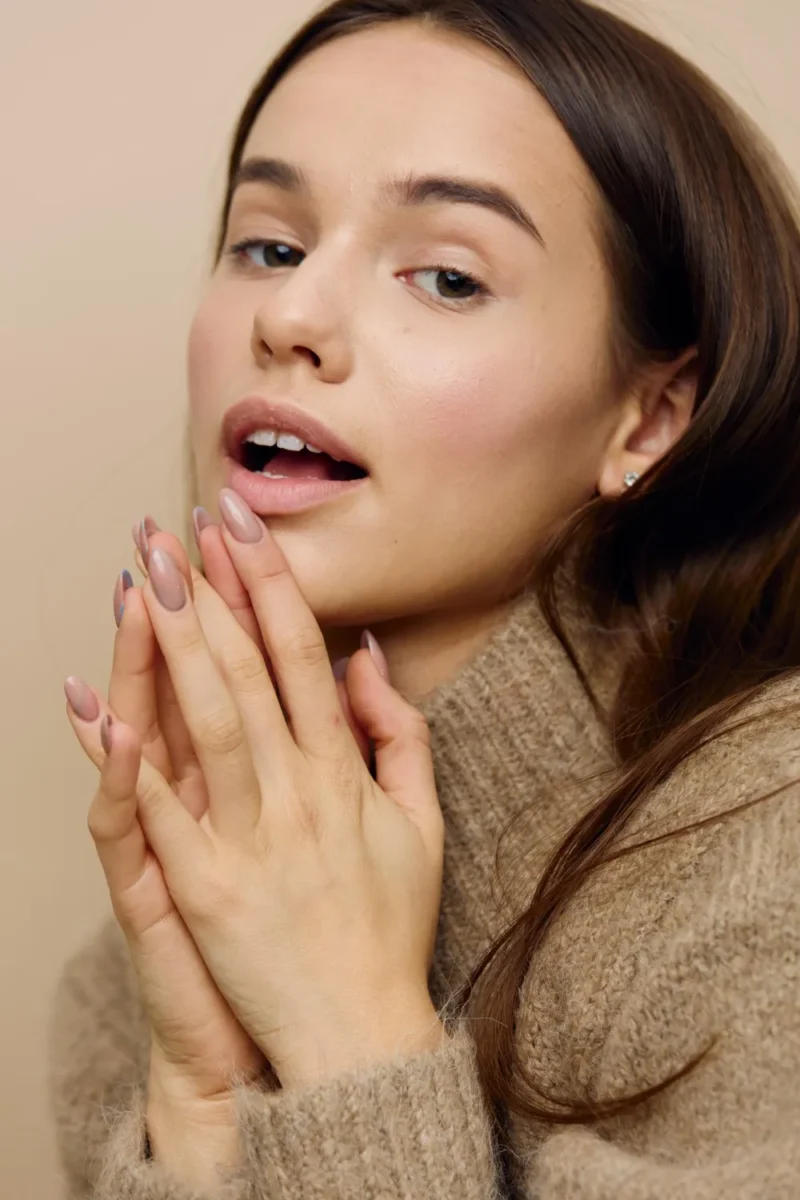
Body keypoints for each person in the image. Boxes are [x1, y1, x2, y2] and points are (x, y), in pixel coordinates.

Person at [50, 0, 800, 1197]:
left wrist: (348, 1039)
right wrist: (198, 1119)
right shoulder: (139, 958)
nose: (289, 319)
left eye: (445, 277)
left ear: (647, 419)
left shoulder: (767, 856)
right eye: (269, 246)